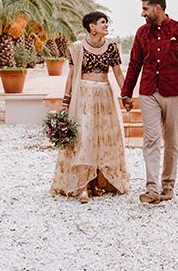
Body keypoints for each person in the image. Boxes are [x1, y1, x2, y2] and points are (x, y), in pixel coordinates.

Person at [121, 0, 178, 204]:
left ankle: (168, 186)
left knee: (171, 140)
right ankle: (152, 188)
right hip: (148, 92)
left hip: (174, 92)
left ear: (158, 8)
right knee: (151, 138)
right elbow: (134, 63)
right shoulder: (141, 33)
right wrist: (126, 92)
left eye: (145, 9)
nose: (142, 13)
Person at [51, 11, 130, 202]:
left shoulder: (111, 47)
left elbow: (118, 73)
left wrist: (126, 93)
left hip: (105, 96)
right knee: (84, 138)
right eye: (102, 22)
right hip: (84, 97)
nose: (106, 25)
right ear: (92, 27)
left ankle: (97, 182)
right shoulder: (78, 48)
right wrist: (65, 101)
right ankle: (82, 186)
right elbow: (71, 76)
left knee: (102, 138)